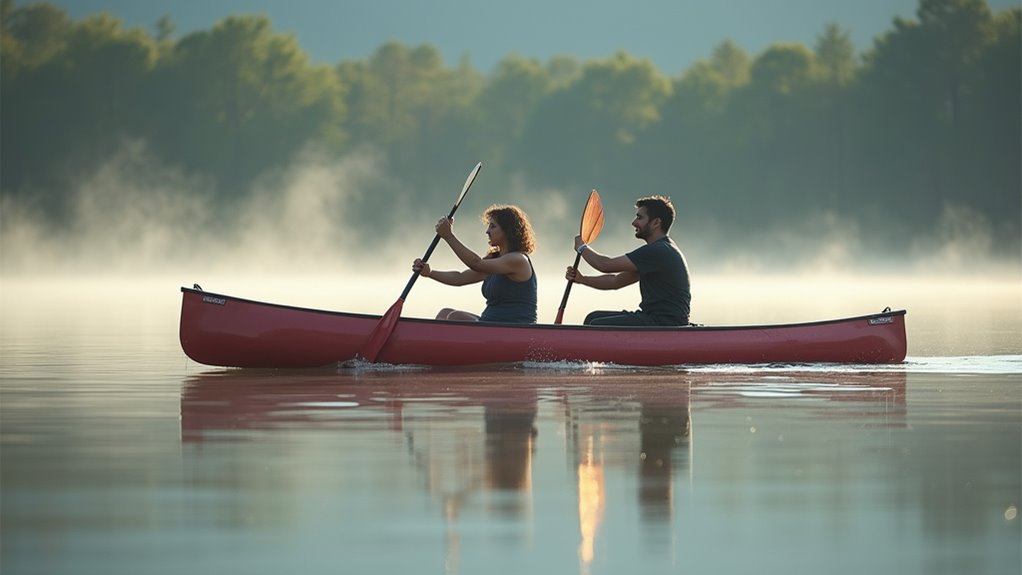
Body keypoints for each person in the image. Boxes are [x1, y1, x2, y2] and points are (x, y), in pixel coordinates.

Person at [565, 195, 691, 326]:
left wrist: (581, 247)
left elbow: (605, 265)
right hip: (654, 318)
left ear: (656, 223)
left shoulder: (658, 251)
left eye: (639, 217)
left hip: (664, 323)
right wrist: (582, 279)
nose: (634, 222)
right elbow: (616, 281)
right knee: (592, 318)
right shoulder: (660, 251)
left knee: (596, 324)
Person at [413, 204, 538, 323]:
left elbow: (475, 263)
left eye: (493, 226)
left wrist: (449, 236)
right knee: (443, 314)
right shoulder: (494, 260)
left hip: (513, 329)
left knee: (454, 317)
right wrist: (429, 273)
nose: (487, 231)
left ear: (508, 231)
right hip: (492, 323)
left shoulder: (518, 260)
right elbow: (460, 278)